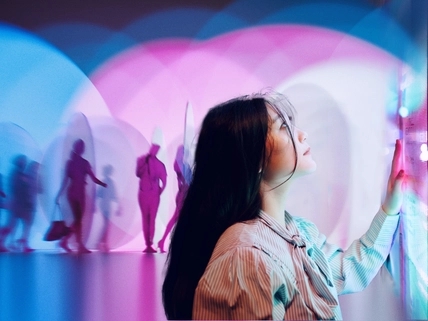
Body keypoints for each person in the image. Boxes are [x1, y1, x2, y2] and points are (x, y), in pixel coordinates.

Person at [162, 92, 404, 320]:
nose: (303, 134)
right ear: (254, 158)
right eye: (284, 127)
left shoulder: (296, 230)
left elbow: (347, 270)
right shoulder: (246, 257)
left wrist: (390, 209)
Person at [56, 139, 107, 254]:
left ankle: (66, 241)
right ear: (81, 149)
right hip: (77, 193)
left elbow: (66, 180)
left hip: (75, 193)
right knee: (79, 220)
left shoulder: (73, 163)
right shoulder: (83, 163)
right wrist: (103, 184)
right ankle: (79, 245)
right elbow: (93, 178)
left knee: (78, 220)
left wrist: (58, 195)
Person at [157, 145, 190, 253]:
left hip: (185, 193)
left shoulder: (184, 164)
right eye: (184, 151)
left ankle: (163, 241)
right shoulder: (178, 164)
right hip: (183, 194)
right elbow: (185, 179)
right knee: (178, 219)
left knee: (176, 219)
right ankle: (172, 242)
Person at [136, 143, 167, 253]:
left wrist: (159, 192)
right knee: (145, 218)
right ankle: (147, 243)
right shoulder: (142, 160)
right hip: (144, 192)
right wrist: (143, 163)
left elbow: (164, 180)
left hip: (153, 193)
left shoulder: (159, 164)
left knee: (152, 218)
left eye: (156, 149)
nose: (154, 151)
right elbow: (138, 173)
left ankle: (151, 242)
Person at [96, 164, 120, 252]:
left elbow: (99, 194)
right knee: (106, 224)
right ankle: (102, 242)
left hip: (105, 205)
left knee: (106, 224)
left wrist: (118, 206)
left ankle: (102, 242)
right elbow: (113, 195)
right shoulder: (108, 182)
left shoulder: (107, 182)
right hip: (105, 205)